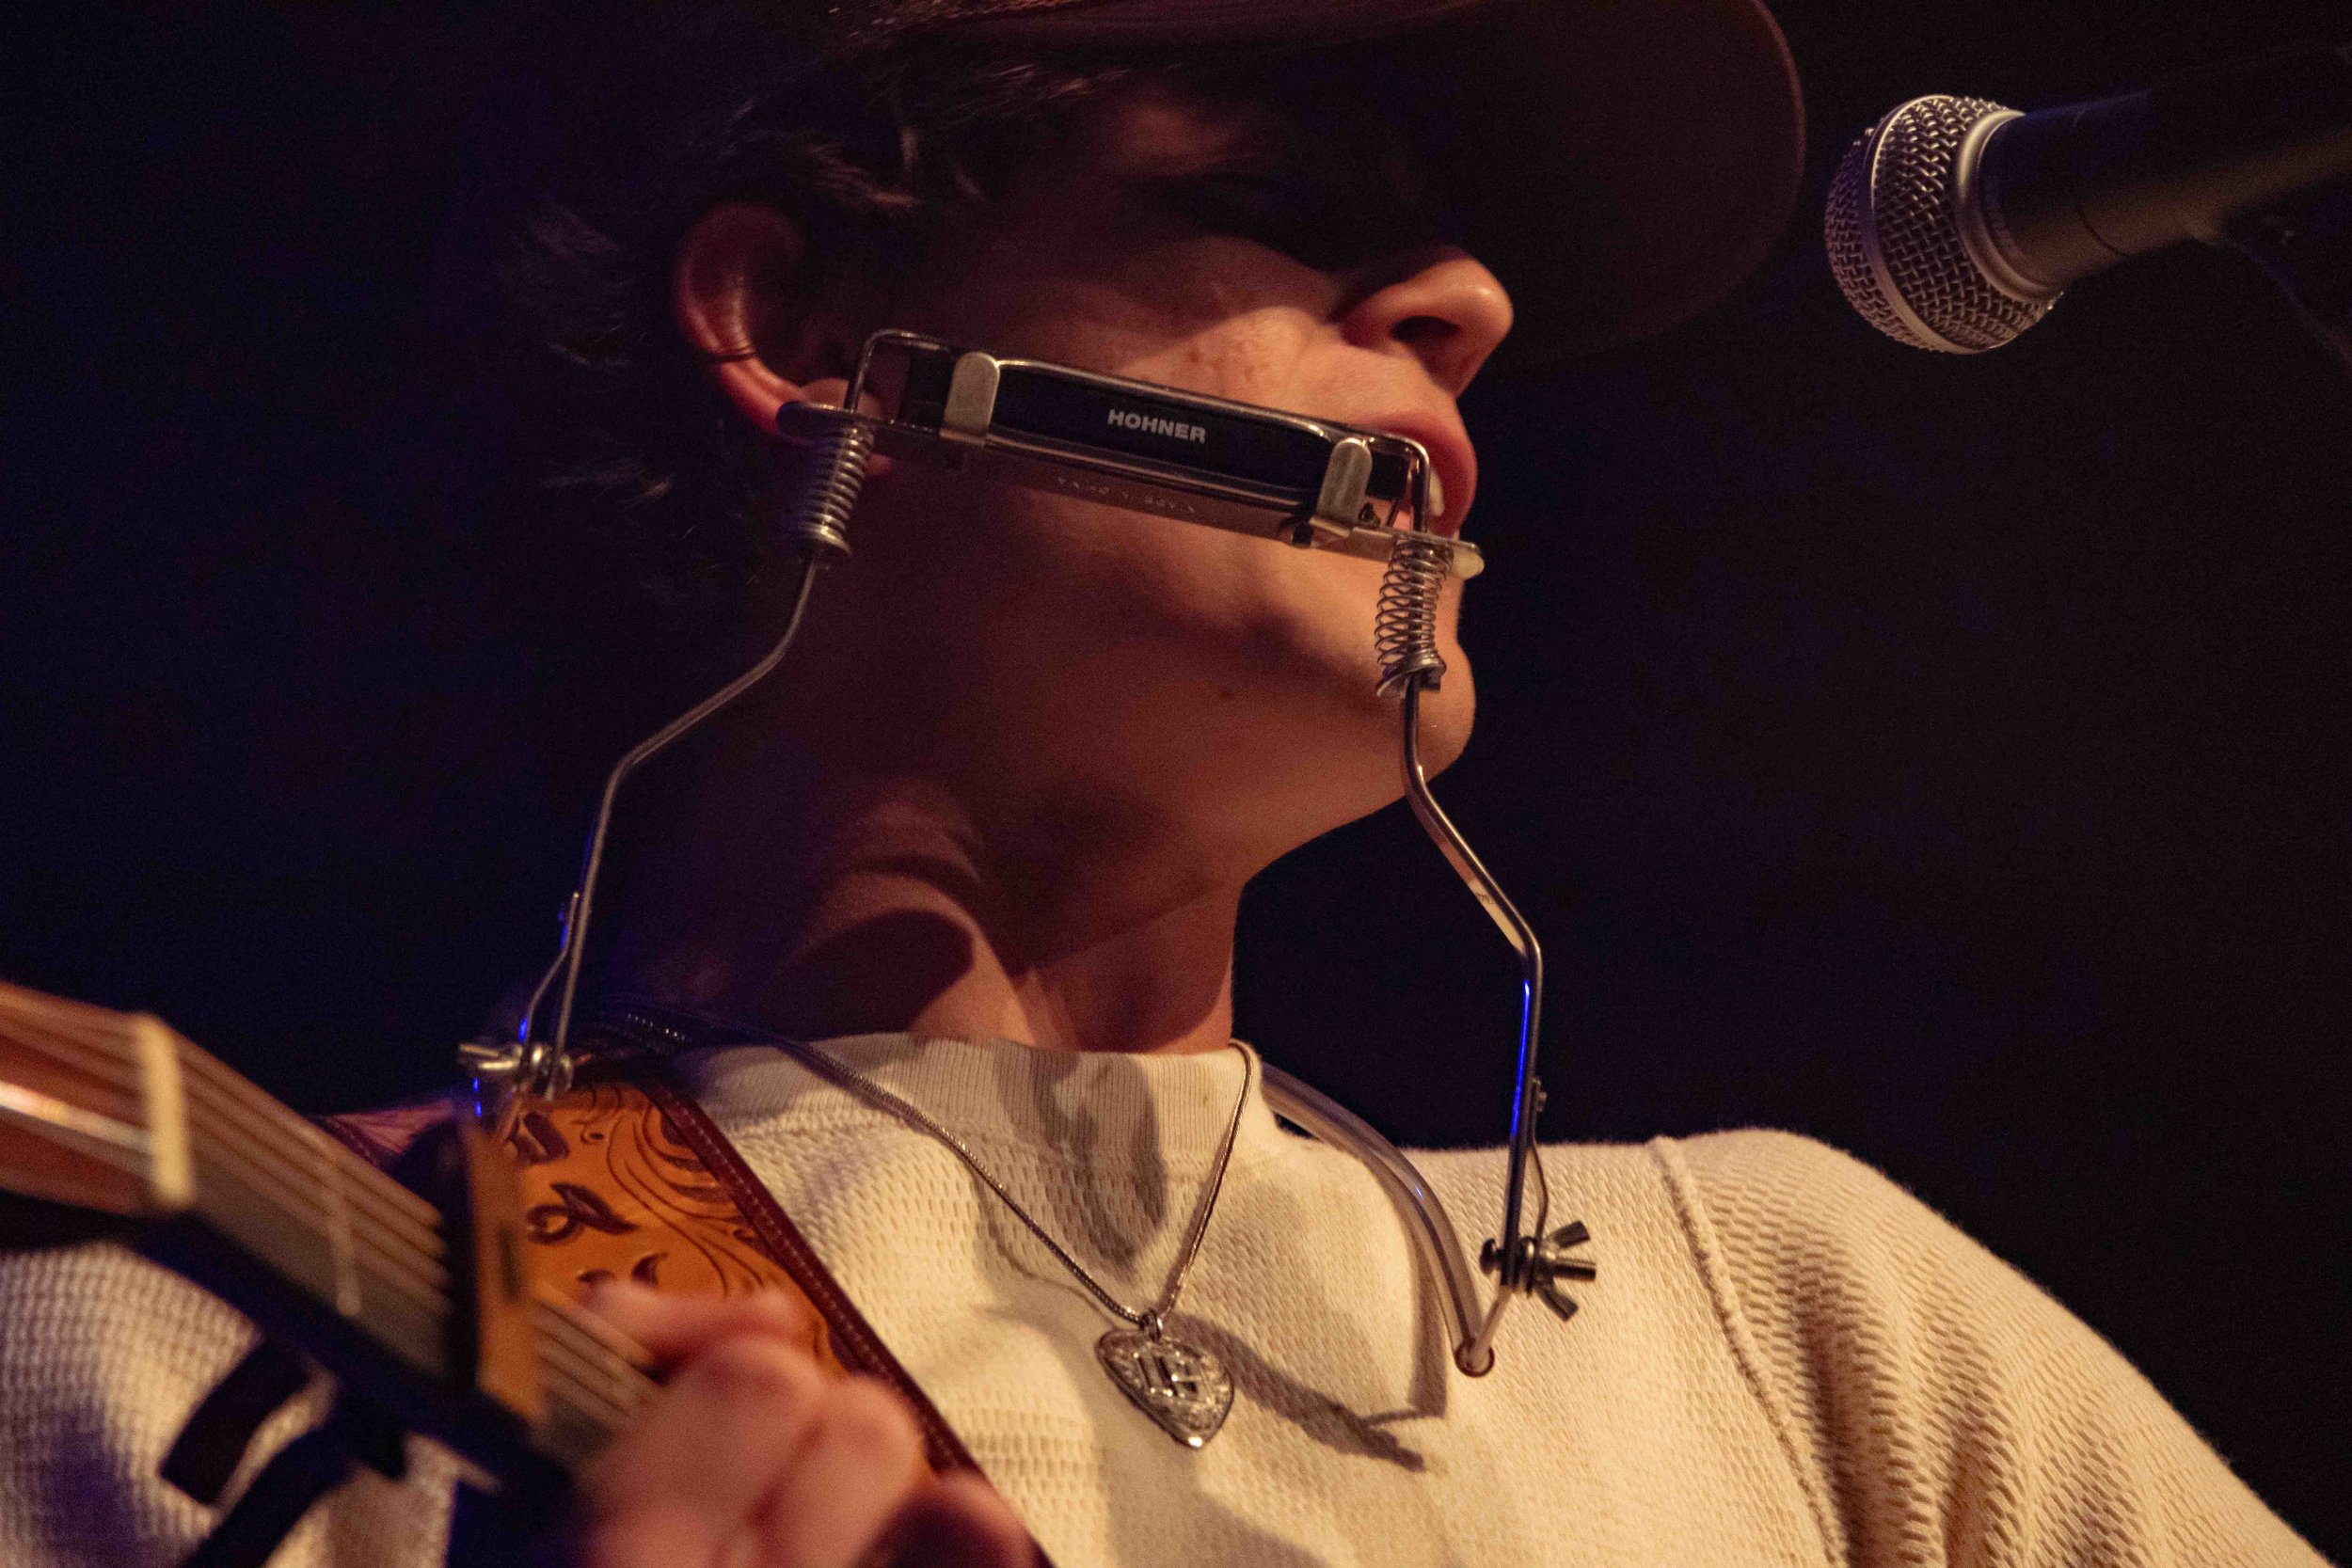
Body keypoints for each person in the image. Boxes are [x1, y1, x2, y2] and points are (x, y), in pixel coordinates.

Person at [0, 0, 2330, 1564]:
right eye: (1289, 197)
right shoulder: (242, 1334)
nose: (1470, 303)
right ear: (815, 340)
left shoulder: (1800, 1324)